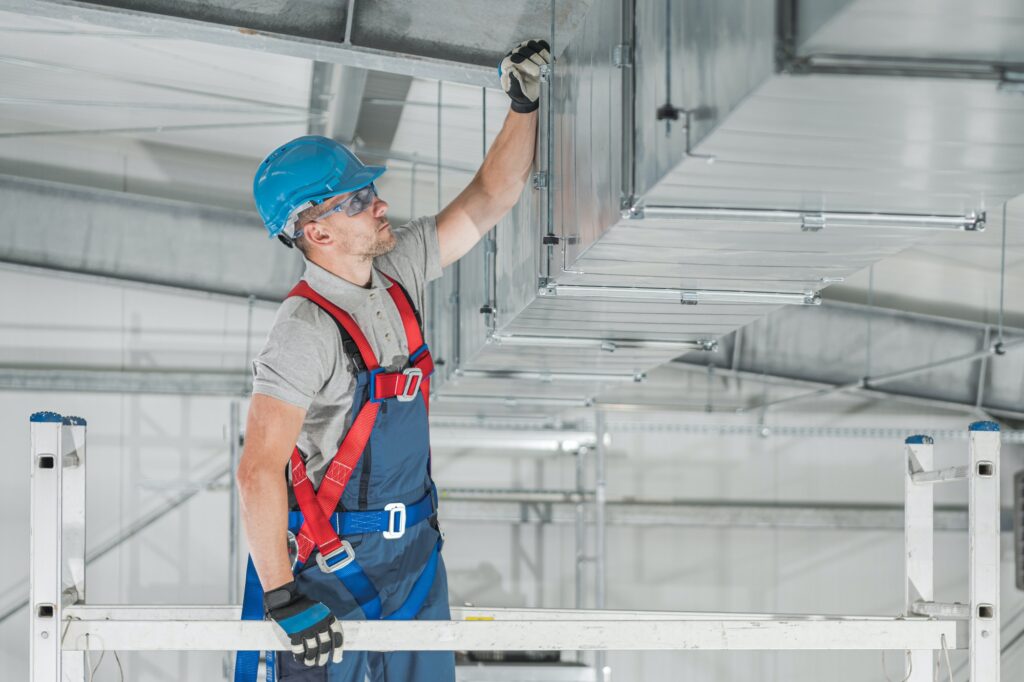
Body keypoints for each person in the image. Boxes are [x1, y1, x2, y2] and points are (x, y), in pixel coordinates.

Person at [235, 39, 552, 681]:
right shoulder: (305, 329)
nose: (378, 203)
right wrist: (281, 599)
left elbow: (492, 196)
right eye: (356, 200)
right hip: (326, 569)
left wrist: (523, 104)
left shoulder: (397, 269)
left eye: (370, 189)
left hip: (413, 557)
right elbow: (258, 470)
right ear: (315, 231)